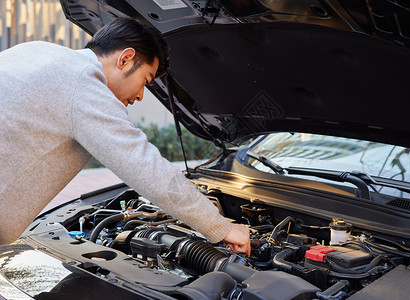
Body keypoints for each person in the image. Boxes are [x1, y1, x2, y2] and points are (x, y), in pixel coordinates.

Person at [0, 17, 250, 254]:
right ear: (126, 59)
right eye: (146, 80)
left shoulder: (37, 51)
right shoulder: (82, 84)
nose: (141, 95)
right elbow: (144, 167)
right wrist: (223, 227)